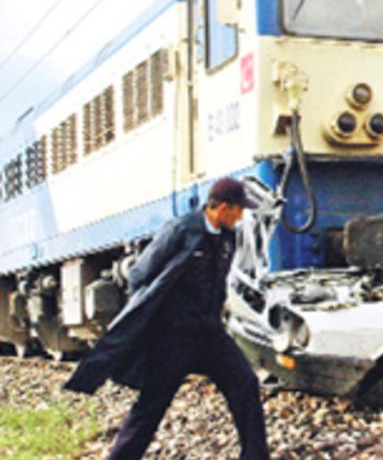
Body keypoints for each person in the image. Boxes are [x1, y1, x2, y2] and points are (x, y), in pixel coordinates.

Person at [64, 177, 270, 459]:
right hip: (173, 338)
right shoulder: (181, 230)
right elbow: (139, 275)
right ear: (223, 208)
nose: (242, 215)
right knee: (151, 405)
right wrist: (154, 318)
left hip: (210, 333)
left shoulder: (226, 238)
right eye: (239, 210)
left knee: (244, 383)